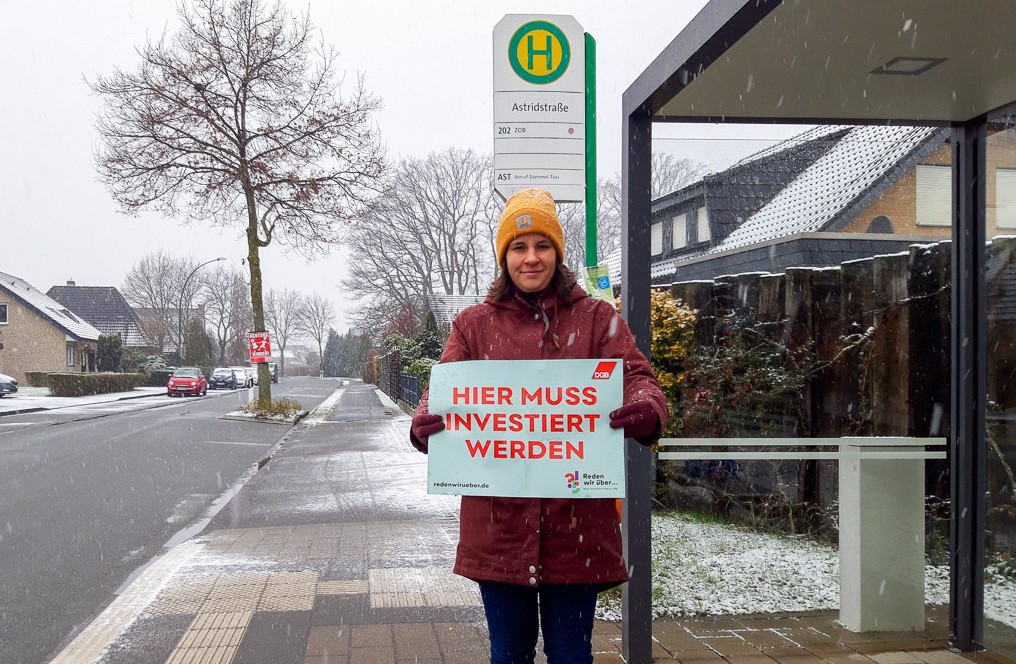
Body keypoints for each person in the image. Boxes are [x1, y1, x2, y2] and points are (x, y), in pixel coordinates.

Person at [409, 187, 668, 664]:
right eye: (519, 247)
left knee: (572, 654)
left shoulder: (596, 318)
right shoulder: (473, 325)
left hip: (576, 530)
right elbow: (446, 387)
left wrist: (646, 406)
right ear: (504, 256)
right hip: (499, 527)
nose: (531, 258)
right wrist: (424, 419)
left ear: (557, 252)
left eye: (542, 245)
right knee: (508, 654)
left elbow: (636, 376)